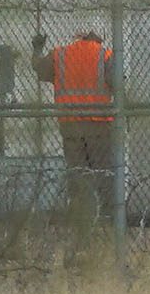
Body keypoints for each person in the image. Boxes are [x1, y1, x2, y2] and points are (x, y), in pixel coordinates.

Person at [33, 30, 115, 221]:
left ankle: (79, 216)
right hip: (98, 123)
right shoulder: (105, 54)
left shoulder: (60, 54)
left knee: (77, 171)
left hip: (70, 123)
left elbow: (39, 69)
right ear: (97, 40)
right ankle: (107, 215)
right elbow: (116, 81)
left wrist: (37, 49)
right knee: (102, 170)